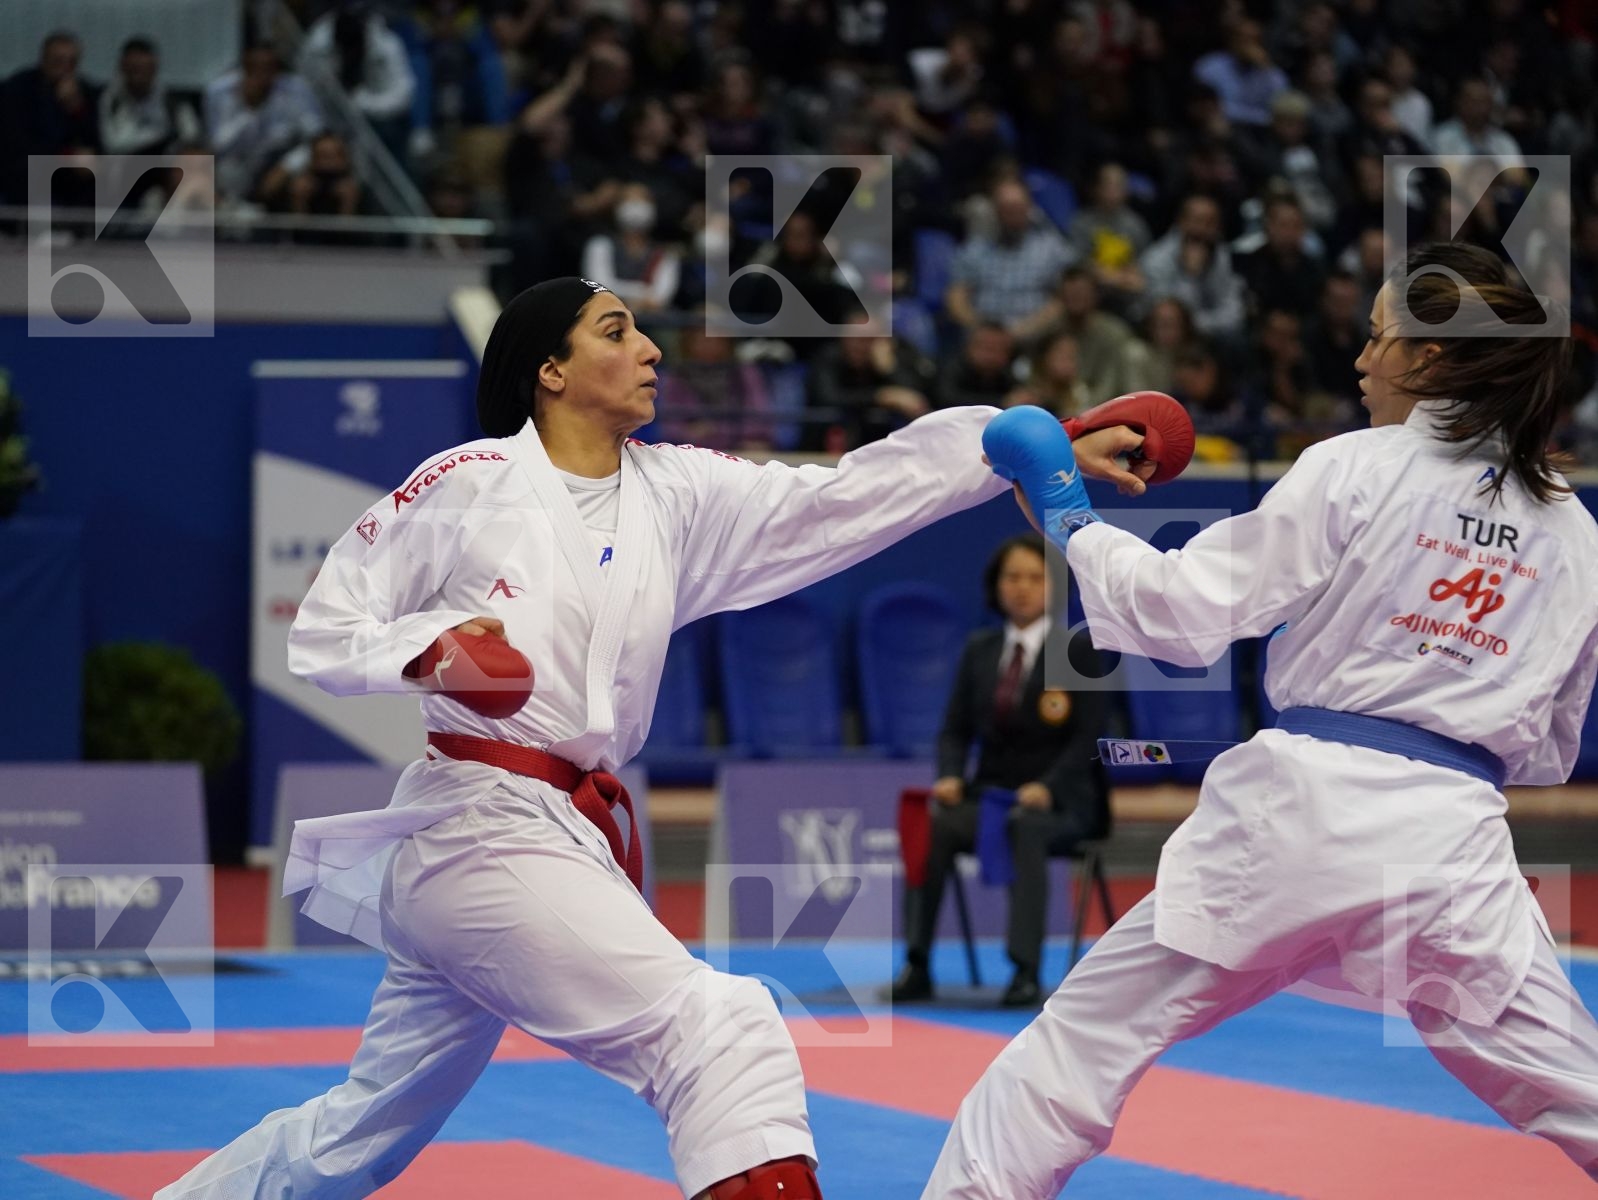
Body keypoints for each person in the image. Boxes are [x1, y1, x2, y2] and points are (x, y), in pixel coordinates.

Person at [155, 278, 1159, 1200]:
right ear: (550, 371)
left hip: (561, 830)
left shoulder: (675, 494)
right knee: (721, 1029)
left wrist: (1036, 445)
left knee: (357, 1137)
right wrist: (435, 651)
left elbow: (840, 499)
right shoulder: (466, 483)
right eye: (615, 330)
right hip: (476, 825)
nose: (649, 350)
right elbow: (325, 629)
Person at [923, 241, 1598, 1197]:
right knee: (1581, 1089)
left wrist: (1067, 513)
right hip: (1451, 843)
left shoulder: (1358, 466)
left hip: (1301, 819)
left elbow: (1183, 615)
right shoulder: (1573, 529)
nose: (1361, 361)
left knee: (1084, 1044)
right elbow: (1549, 746)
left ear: (1433, 358)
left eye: (1378, 339)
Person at [891, 533, 1110, 1008]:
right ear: (997, 586)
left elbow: (1088, 740)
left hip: (1061, 805)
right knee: (933, 822)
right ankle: (917, 964)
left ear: (1053, 588)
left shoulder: (1078, 651)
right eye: (1013, 577)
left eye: (1035, 578)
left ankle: (1025, 971)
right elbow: (953, 731)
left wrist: (1048, 788)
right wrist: (950, 774)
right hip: (990, 797)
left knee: (1023, 827)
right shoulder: (980, 650)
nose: (1023, 588)